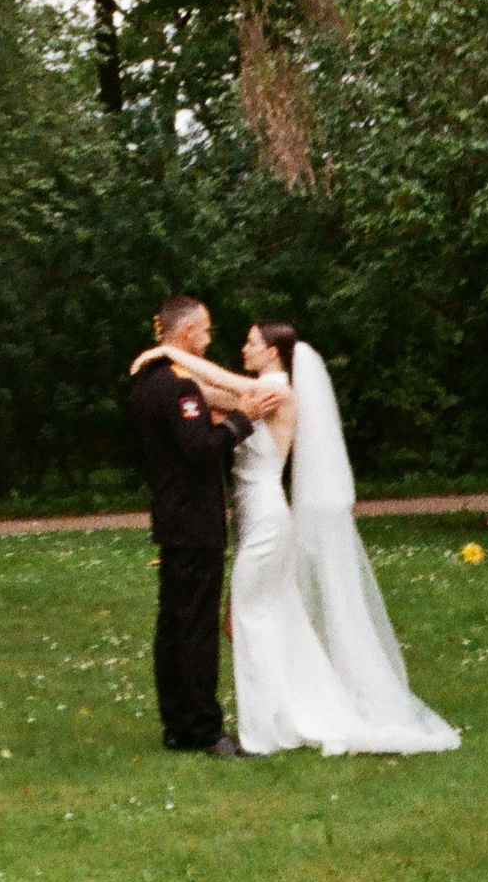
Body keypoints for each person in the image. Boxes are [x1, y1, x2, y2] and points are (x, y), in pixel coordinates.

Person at [158, 321, 461, 757]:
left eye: (252, 342)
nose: (244, 348)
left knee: (248, 618)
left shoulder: (276, 391)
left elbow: (224, 385)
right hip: (251, 518)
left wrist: (170, 353)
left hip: (266, 519)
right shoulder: (257, 393)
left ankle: (265, 727)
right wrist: (172, 375)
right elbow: (208, 393)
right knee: (256, 618)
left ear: (273, 352)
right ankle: (288, 707)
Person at [128, 295, 281, 754]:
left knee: (173, 623)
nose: (211, 339)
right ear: (187, 332)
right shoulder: (179, 387)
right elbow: (200, 449)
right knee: (195, 626)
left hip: (171, 515)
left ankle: (176, 723)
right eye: (207, 330)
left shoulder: (147, 380)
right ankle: (204, 729)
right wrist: (242, 420)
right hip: (195, 519)